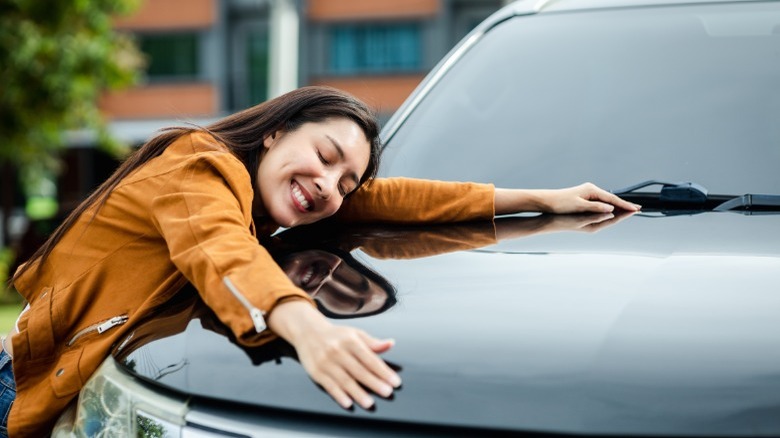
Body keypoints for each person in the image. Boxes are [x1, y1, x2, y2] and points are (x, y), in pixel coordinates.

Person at [0, 86, 639, 437]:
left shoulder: (277, 200)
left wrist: (542, 199)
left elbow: (399, 198)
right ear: (277, 131)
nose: (330, 187)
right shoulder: (200, 165)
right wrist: (308, 329)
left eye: (346, 181)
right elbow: (217, 249)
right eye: (326, 155)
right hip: (18, 385)